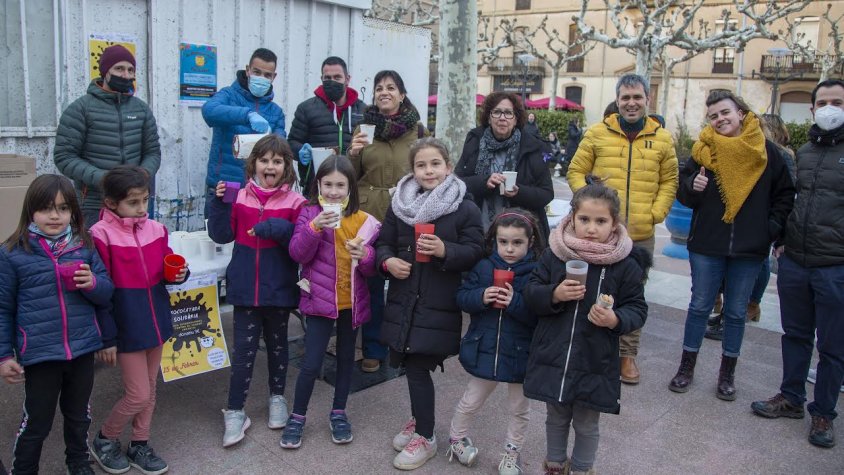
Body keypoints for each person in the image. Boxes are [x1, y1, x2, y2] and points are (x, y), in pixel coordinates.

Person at [669, 91, 794, 401]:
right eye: (713, 116)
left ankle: (727, 375)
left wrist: (771, 230)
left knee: (737, 313)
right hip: (707, 244)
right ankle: (686, 368)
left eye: (725, 112)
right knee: (699, 306)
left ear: (740, 113)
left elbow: (784, 194)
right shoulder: (702, 151)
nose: (720, 119)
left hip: (750, 248)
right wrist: (692, 188)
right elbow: (683, 193)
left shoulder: (766, 153)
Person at [522, 176, 650, 475]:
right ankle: (554, 464)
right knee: (555, 415)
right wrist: (554, 293)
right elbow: (531, 290)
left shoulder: (624, 264)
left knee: (587, 422)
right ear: (572, 218)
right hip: (554, 353)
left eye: (601, 221)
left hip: (595, 358)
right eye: (584, 219)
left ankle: (582, 468)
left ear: (614, 223)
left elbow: (637, 308)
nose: (592, 228)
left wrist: (616, 318)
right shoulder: (556, 253)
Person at [377, 138, 484, 470]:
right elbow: (382, 243)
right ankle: (418, 419)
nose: (429, 170)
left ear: (448, 167)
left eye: (435, 163)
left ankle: (426, 436)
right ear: (413, 170)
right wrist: (387, 262)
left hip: (437, 303)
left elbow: (476, 250)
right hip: (403, 299)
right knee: (409, 366)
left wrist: (445, 251)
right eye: (421, 165)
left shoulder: (464, 207)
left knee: (419, 367)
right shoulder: (399, 204)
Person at [566, 73, 678, 385]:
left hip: (640, 232)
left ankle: (627, 355)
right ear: (618, 100)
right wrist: (585, 205)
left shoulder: (663, 138)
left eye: (637, 97)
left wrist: (657, 212)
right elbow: (576, 170)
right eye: (625, 98)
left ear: (647, 99)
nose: (631, 103)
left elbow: (670, 180)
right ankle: (585, 346)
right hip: (600, 232)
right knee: (590, 287)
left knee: (633, 293)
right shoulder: (598, 133)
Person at [751, 79, 844, 449]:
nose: (829, 108)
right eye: (823, 102)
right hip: (796, 261)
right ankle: (791, 396)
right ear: (812, 109)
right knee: (795, 335)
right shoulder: (802, 153)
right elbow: (787, 200)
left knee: (833, 346)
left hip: (835, 266)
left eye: (837, 101)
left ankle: (823, 412)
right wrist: (781, 241)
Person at [0, 174, 114, 475]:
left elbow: (106, 291)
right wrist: (4, 356)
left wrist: (92, 284)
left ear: (73, 213)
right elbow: (3, 309)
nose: (55, 215)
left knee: (79, 415)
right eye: (46, 208)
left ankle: (77, 463)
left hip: (82, 349)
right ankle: (24, 469)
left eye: (63, 208)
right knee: (37, 421)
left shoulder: (84, 245)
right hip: (40, 353)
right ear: (30, 211)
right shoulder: (12, 253)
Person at [88, 166, 189, 475]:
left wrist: (181, 275)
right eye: (133, 202)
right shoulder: (99, 234)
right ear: (110, 202)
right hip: (126, 326)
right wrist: (107, 338)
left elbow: (168, 266)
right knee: (138, 393)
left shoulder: (157, 230)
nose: (142, 209)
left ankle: (139, 443)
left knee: (150, 390)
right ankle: (105, 438)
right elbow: (100, 292)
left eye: (145, 200)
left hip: (156, 320)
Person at [207, 135, 306, 447]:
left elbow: (300, 244)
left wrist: (275, 228)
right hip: (245, 288)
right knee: (244, 353)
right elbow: (221, 234)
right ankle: (235, 410)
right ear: (253, 165)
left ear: (286, 167)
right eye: (264, 160)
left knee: (279, 348)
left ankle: (278, 398)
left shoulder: (296, 202)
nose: (270, 166)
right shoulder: (239, 197)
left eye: (277, 161)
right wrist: (219, 203)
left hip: (279, 289)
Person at [281, 155, 381, 449]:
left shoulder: (363, 221)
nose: (334, 191)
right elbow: (297, 254)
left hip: (351, 302)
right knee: (311, 362)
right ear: (318, 185)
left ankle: (339, 412)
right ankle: (297, 416)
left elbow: (370, 269)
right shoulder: (308, 213)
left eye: (340, 185)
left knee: (347, 359)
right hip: (320, 301)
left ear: (351, 187)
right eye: (328, 184)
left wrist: (365, 256)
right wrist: (314, 228)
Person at [446, 208, 545, 475]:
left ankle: (512, 452)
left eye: (517, 242)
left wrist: (515, 302)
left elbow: (540, 315)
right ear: (494, 241)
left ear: (530, 242)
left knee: (519, 409)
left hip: (520, 351)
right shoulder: (484, 266)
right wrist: (481, 296)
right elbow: (462, 296)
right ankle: (456, 438)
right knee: (471, 400)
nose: (509, 249)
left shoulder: (537, 272)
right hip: (485, 347)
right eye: (503, 242)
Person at [347, 70, 427, 373]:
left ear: (402, 94)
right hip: (369, 216)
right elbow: (349, 176)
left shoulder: (418, 131)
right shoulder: (363, 129)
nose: (384, 92)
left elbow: (430, 169)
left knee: (409, 284)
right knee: (371, 282)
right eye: (379, 87)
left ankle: (407, 344)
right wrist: (352, 153)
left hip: (407, 214)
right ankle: (373, 349)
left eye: (391, 87)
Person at [706, 113, 797, 338]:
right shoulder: (746, 149)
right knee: (735, 271)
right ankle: (730, 311)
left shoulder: (779, 155)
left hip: (761, 225)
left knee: (758, 267)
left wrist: (774, 228)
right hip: (742, 226)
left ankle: (749, 306)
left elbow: (786, 193)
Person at [54, 45, 161, 228]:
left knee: (133, 252)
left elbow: (152, 152)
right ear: (105, 72)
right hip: (95, 203)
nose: (126, 75)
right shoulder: (80, 109)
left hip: (135, 202)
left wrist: (142, 175)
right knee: (96, 254)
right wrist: (104, 179)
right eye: (119, 68)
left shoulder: (141, 109)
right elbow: (64, 157)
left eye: (130, 70)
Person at [456, 92, 554, 239]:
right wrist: (484, 182)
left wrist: (519, 193)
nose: (502, 117)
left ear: (516, 119)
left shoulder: (533, 147)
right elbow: (457, 184)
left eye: (508, 113)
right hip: (478, 230)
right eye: (496, 112)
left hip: (520, 235)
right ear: (489, 118)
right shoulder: (475, 141)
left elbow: (546, 193)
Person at [202, 48, 287, 218]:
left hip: (259, 190)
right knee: (221, 238)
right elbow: (209, 111)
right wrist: (246, 115)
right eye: (256, 72)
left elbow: (281, 148)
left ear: (273, 77)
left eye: (267, 75)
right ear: (248, 70)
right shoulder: (228, 95)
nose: (261, 78)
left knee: (250, 240)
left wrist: (277, 140)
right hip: (226, 185)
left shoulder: (275, 112)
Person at [288, 56, 367, 196]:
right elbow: (291, 143)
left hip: (353, 185)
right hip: (315, 185)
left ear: (347, 79)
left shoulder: (362, 110)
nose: (332, 82)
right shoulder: (306, 108)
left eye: (337, 77)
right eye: (327, 78)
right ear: (321, 79)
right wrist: (301, 151)